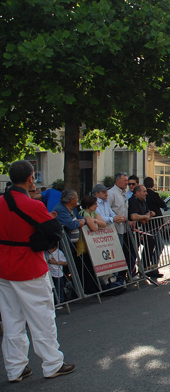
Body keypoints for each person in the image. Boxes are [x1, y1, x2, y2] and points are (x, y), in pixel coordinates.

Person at [0, 160, 75, 382]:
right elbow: (55, 231)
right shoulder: (33, 205)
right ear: (31, 178)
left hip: (4, 267)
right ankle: (52, 363)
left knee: (12, 320)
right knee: (42, 318)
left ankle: (15, 368)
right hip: (29, 267)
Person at [128, 185, 159, 277]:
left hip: (141, 229)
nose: (146, 193)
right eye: (144, 191)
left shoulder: (143, 201)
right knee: (133, 251)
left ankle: (144, 265)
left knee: (151, 241)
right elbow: (133, 216)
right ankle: (131, 273)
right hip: (133, 230)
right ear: (137, 193)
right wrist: (145, 216)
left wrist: (146, 216)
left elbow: (146, 216)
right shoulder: (133, 201)